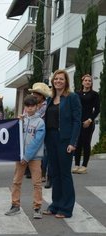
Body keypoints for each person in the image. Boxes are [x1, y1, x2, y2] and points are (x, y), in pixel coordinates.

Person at [43, 69, 81, 219]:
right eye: (56, 79)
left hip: (64, 140)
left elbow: (77, 121)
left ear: (66, 82)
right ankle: (55, 205)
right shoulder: (49, 100)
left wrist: (73, 142)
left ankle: (66, 208)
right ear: (52, 81)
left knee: (65, 174)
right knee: (54, 173)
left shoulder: (72, 97)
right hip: (50, 139)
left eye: (61, 79)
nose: (58, 81)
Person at [5, 95, 45, 219]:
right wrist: (18, 122)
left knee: (37, 183)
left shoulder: (40, 122)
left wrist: (26, 157)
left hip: (34, 157)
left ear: (37, 106)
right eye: (27, 106)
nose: (29, 108)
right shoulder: (22, 120)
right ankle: (15, 205)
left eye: (32, 106)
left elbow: (37, 142)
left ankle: (37, 207)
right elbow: (15, 136)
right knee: (16, 181)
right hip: (20, 156)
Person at [73, 74, 100, 174]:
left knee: (86, 143)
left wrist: (89, 120)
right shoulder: (77, 94)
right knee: (78, 143)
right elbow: (74, 108)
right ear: (82, 82)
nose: (88, 82)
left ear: (91, 83)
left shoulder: (94, 94)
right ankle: (76, 165)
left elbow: (97, 110)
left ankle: (84, 166)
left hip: (88, 122)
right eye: (86, 80)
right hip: (78, 121)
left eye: (89, 81)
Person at [28, 82, 52, 188]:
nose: (33, 96)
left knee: (46, 154)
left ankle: (45, 175)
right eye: (33, 94)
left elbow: (38, 118)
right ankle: (36, 173)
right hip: (34, 132)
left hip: (45, 132)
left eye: (35, 94)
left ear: (41, 96)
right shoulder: (33, 105)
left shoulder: (46, 106)